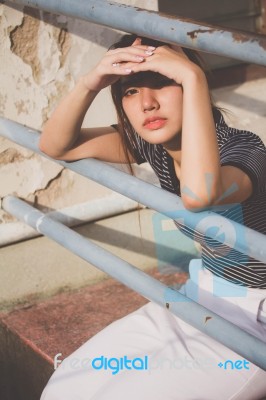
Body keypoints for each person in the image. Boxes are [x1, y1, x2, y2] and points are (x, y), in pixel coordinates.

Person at [39, 34, 266, 399]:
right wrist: (91, 81)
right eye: (130, 90)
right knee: (64, 389)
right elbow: (55, 144)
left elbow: (199, 194)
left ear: (190, 84)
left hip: (257, 321)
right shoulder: (154, 145)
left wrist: (194, 78)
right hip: (199, 293)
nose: (146, 103)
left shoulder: (245, 148)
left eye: (163, 81)